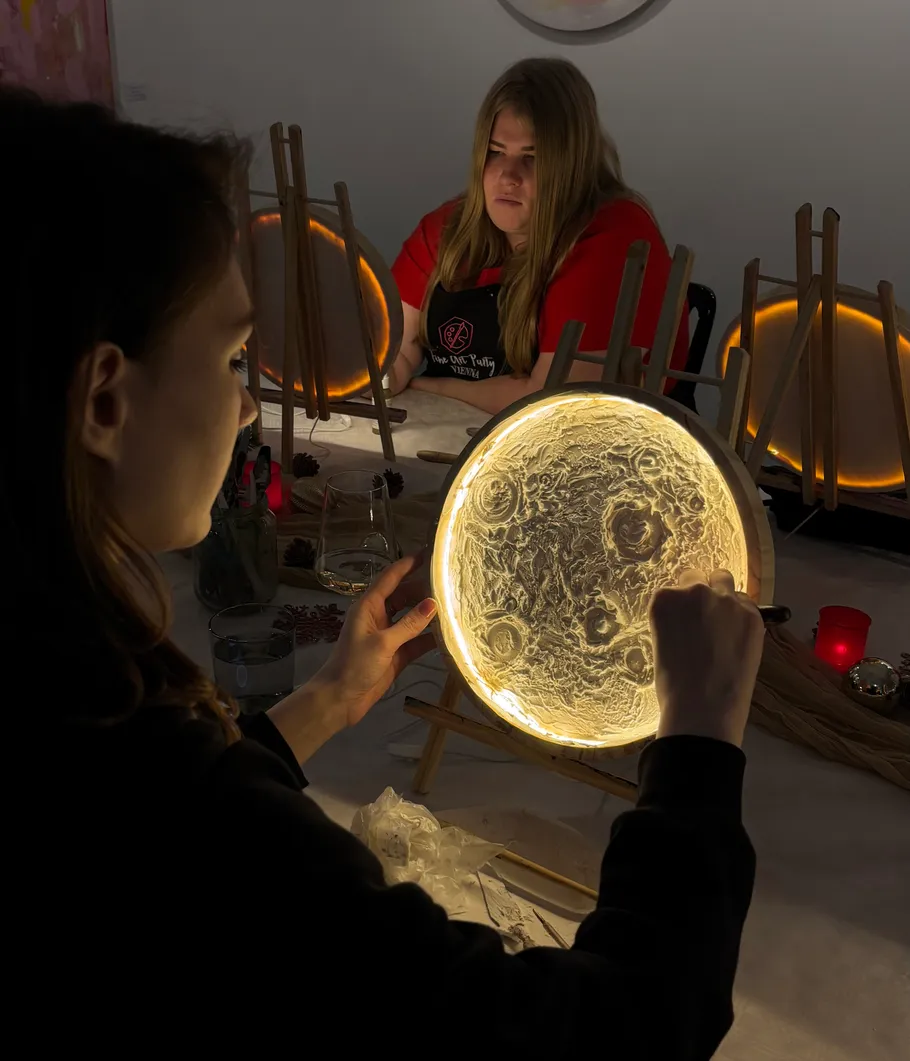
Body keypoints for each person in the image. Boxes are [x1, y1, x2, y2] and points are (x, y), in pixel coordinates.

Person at [7, 88, 764, 1055]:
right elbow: (619, 1028)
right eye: (237, 357)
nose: (249, 408)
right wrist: (698, 745)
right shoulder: (176, 809)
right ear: (105, 401)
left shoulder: (67, 680)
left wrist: (323, 703)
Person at [388, 58, 689, 415]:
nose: (508, 176)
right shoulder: (449, 228)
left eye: (532, 158)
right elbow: (394, 349)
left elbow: (550, 406)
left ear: (571, 166)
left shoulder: (616, 242)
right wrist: (374, 374)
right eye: (496, 153)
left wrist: (430, 386)